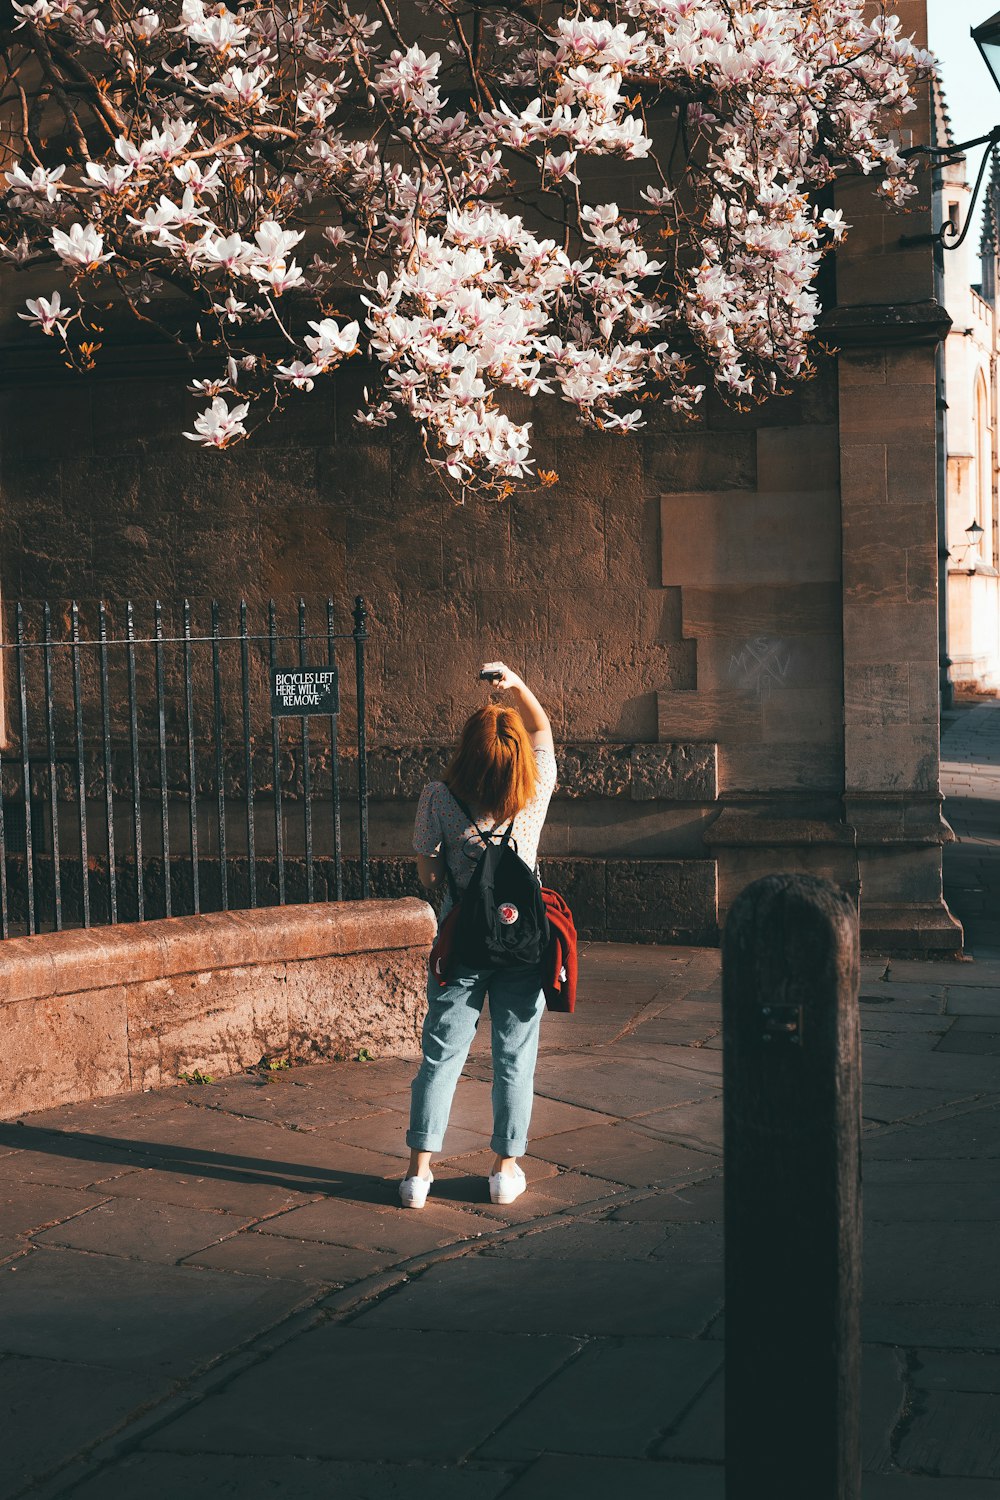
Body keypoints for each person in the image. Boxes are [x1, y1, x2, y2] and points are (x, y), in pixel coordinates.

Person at [401, 661, 557, 1210]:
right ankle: (503, 1169)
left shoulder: (438, 798)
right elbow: (542, 733)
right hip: (523, 944)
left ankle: (419, 1175)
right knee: (515, 1055)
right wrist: (516, 688)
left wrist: (453, 876)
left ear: (467, 751)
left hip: (462, 942)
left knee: (441, 1054)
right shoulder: (532, 793)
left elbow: (427, 872)